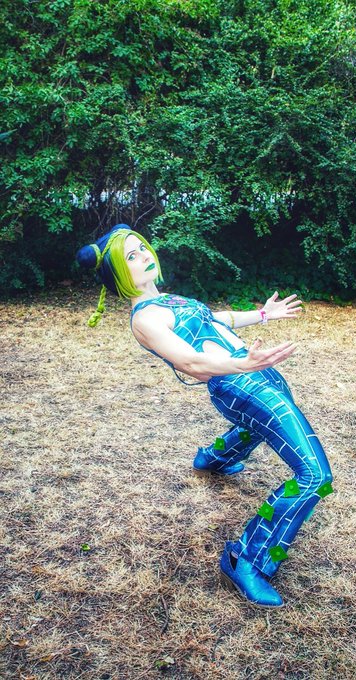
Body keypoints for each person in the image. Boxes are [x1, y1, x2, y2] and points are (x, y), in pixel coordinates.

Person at [77, 223, 333, 609]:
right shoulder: (145, 319)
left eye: (142, 247)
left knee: (258, 425)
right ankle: (246, 559)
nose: (144, 255)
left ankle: (213, 458)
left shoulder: (168, 299)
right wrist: (243, 364)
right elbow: (192, 362)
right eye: (131, 255)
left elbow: (217, 319)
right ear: (117, 272)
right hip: (239, 384)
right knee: (315, 476)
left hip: (255, 374)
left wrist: (263, 314)